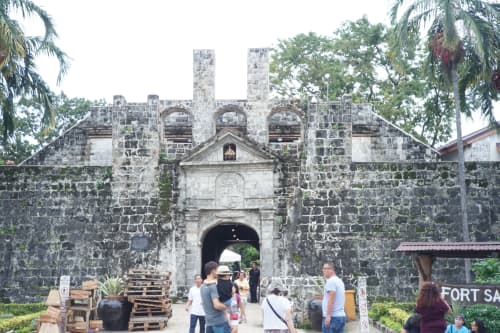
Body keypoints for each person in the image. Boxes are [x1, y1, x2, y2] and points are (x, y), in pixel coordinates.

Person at [200, 261, 231, 333]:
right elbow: (217, 305)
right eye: (217, 270)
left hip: (209, 323)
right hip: (219, 323)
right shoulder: (213, 286)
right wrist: (229, 307)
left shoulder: (202, 286)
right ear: (213, 271)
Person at [321, 262, 346, 333]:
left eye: (325, 269)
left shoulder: (331, 281)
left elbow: (331, 299)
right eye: (323, 269)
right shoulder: (339, 281)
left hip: (333, 318)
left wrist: (328, 316)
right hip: (341, 316)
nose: (324, 271)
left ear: (331, 270)